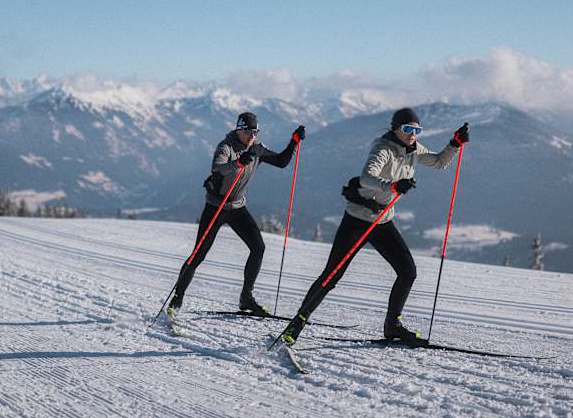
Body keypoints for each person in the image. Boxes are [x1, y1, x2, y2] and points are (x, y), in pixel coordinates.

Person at [280, 108, 469, 346]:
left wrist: (454, 144)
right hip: (358, 220)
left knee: (408, 272)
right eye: (407, 129)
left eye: (417, 130)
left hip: (382, 221)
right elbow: (367, 177)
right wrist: (392, 186)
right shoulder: (383, 148)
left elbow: (439, 162)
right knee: (332, 275)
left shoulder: (414, 150)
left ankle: (393, 326)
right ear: (395, 129)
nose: (412, 134)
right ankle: (297, 322)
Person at [167, 112, 305, 318]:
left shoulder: (256, 148)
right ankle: (177, 298)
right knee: (199, 254)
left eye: (255, 132)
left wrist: (293, 142)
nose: (252, 136)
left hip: (237, 207)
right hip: (216, 207)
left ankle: (246, 298)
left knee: (258, 248)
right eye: (249, 132)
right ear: (239, 129)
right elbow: (218, 168)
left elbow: (281, 161)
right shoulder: (226, 147)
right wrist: (238, 163)